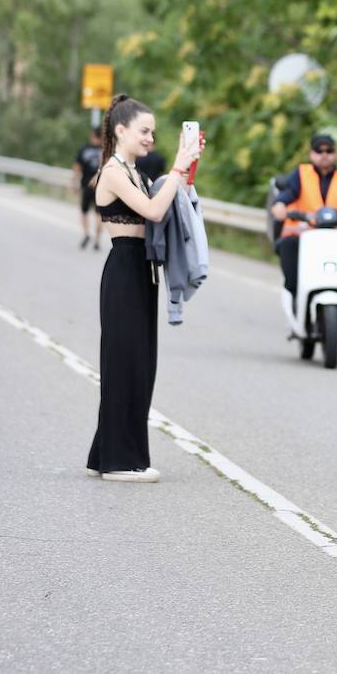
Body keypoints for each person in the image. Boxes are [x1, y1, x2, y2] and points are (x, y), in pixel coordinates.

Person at [87, 94, 203, 483]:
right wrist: (176, 168)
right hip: (124, 268)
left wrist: (186, 171)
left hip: (142, 271)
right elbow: (153, 211)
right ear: (121, 131)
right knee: (125, 365)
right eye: (144, 130)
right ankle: (119, 461)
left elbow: (170, 205)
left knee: (138, 364)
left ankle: (106, 451)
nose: (151, 137)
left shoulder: (137, 173)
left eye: (153, 131)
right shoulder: (114, 171)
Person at [269, 133, 337, 307]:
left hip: (335, 237)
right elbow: (288, 193)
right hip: (305, 234)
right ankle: (294, 294)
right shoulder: (300, 174)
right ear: (311, 154)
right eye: (319, 150)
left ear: (335, 153)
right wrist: (279, 204)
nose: (324, 154)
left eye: (329, 150)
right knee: (288, 244)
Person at [72, 128, 104, 250]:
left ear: (92, 135)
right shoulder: (106, 150)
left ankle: (86, 234)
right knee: (99, 214)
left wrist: (74, 182)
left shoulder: (84, 149)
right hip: (101, 187)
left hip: (86, 185)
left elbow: (77, 167)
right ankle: (97, 239)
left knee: (84, 211)